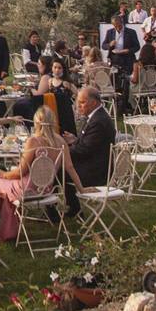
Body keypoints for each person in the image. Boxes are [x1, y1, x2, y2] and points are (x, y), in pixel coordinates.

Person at [0, 107, 89, 240]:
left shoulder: (34, 141)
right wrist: (81, 189)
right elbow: (70, 168)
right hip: (47, 189)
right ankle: (7, 227)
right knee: (1, 184)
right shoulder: (61, 142)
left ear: (36, 122)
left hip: (27, 190)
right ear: (53, 121)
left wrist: (2, 174)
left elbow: (20, 172)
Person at [62, 87, 115, 217]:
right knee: (61, 167)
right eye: (78, 102)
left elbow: (84, 150)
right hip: (94, 162)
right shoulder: (96, 116)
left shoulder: (98, 121)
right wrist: (75, 140)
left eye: (82, 102)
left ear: (94, 103)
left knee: (58, 170)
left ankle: (71, 209)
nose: (78, 106)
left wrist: (62, 151)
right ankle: (73, 208)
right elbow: (89, 144)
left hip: (96, 171)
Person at [101, 14, 140, 113]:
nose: (116, 27)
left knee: (126, 83)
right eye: (114, 25)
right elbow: (103, 45)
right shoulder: (110, 32)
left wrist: (127, 50)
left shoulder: (131, 32)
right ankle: (116, 106)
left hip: (127, 59)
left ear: (121, 23)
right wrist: (110, 44)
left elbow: (137, 47)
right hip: (115, 59)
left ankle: (125, 106)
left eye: (118, 25)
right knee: (115, 82)